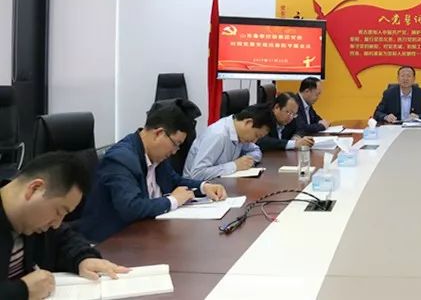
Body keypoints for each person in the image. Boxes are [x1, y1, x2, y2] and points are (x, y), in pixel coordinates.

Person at [77, 100, 227, 243]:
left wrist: (204, 187)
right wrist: (173, 200)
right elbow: (131, 207)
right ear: (159, 133)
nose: (175, 151)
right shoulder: (121, 159)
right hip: (112, 242)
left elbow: (174, 181)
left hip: (147, 233)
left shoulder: (155, 155)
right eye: (176, 144)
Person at [1, 152, 127, 300]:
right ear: (34, 188)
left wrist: (83, 259)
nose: (56, 224)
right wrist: (23, 291)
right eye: (59, 212)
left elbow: (63, 238)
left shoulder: (32, 221)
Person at [183, 104, 273, 180]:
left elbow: (256, 151)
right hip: (195, 188)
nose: (254, 141)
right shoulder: (218, 135)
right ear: (248, 122)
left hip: (220, 183)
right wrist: (235, 165)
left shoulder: (240, 134)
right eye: (256, 135)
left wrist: (247, 161)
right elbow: (197, 174)